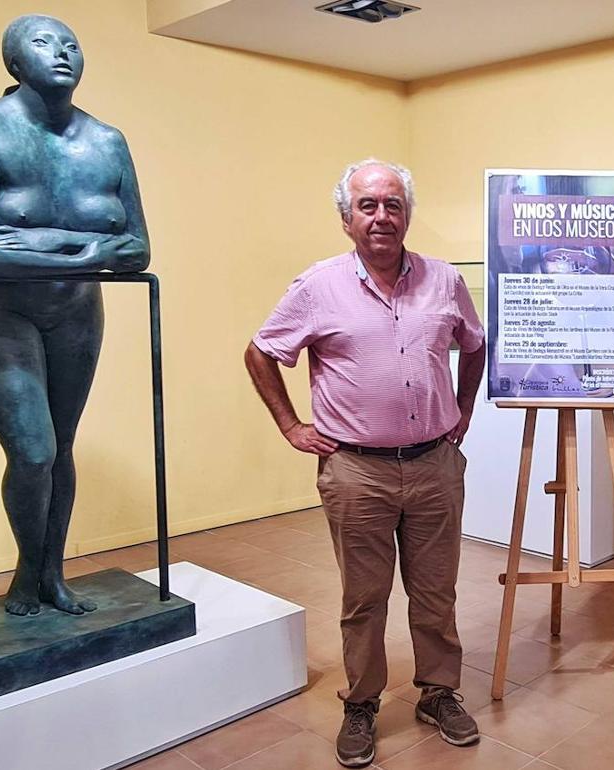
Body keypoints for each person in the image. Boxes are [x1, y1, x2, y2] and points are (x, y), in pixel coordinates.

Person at [244, 159, 485, 768]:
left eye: (393, 204)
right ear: (347, 218)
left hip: (434, 465)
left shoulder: (444, 280)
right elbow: (261, 353)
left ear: (407, 213)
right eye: (368, 205)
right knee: (364, 598)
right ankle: (362, 702)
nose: (382, 216)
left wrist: (462, 410)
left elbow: (475, 345)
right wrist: (291, 426)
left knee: (436, 593)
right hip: (357, 472)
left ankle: (438, 692)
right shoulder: (316, 286)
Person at [0, 14, 150, 617]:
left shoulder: (107, 141)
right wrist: (80, 247)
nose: (61, 53)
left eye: (72, 44)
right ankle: (29, 572)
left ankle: (50, 575)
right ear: (13, 62)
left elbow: (136, 247)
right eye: (42, 43)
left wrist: (46, 246)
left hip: (75, 308)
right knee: (32, 451)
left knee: (61, 449)